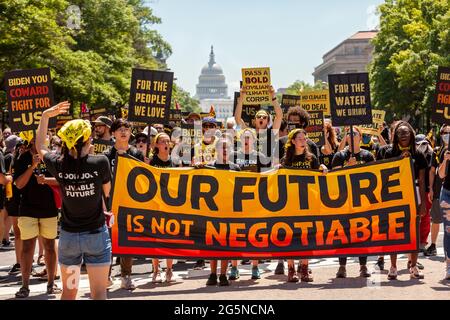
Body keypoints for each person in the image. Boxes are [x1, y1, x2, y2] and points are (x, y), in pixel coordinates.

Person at [36, 101, 112, 300]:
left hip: (69, 238)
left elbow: (41, 146)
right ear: (87, 140)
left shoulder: (59, 164)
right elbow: (107, 192)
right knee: (98, 294)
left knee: (69, 293)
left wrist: (45, 116)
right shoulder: (100, 162)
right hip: (96, 236)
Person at [377, 121, 427, 280]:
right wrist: (399, 159)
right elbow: (385, 174)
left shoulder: (418, 153)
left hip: (414, 192)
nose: (403, 135)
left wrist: (423, 202)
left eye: (406, 133)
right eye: (400, 133)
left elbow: (422, 179)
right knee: (394, 230)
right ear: (395, 136)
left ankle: (413, 266)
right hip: (395, 193)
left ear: (411, 135)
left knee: (414, 230)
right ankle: (393, 267)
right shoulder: (389, 152)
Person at [13, 132, 60, 298]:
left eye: (43, 138)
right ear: (31, 140)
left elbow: (62, 181)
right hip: (28, 209)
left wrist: (46, 180)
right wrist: (32, 166)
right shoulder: (22, 158)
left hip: (49, 209)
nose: (39, 141)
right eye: (36, 138)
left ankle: (51, 284)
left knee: (49, 247)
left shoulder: (53, 156)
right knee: (27, 248)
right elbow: (18, 185)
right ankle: (24, 286)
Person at [281, 129, 327, 282]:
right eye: (300, 138)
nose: (303, 141)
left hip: (308, 203)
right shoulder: (286, 160)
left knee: (307, 236)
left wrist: (323, 169)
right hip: (290, 204)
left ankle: (305, 269)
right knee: (291, 237)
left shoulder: (311, 158)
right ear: (293, 141)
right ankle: (291, 269)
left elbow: (319, 176)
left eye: (304, 138)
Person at [104, 119, 144, 290]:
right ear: (113, 133)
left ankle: (126, 276)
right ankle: (105, 275)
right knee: (107, 242)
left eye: (126, 129)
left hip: (130, 203)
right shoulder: (106, 156)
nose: (123, 132)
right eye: (119, 129)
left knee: (127, 242)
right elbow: (102, 182)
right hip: (111, 203)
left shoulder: (137, 154)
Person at [331, 126, 374, 278]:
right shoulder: (339, 155)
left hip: (362, 201)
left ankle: (363, 266)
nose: (350, 135)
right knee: (343, 234)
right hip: (343, 201)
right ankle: (342, 266)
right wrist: (347, 167)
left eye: (354, 133)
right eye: (348, 133)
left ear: (360, 137)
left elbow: (374, 175)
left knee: (363, 233)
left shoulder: (368, 155)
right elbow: (333, 176)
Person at [205, 137, 240, 286]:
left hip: (229, 211)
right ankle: (212, 273)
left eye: (227, 147)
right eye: (222, 147)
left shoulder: (236, 168)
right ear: (216, 149)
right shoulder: (209, 167)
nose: (225, 150)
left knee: (226, 244)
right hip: (212, 211)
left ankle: (223, 275)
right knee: (213, 244)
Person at [148, 132, 177, 283]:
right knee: (156, 239)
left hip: (170, 205)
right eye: (162, 141)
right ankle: (156, 270)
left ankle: (170, 269)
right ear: (156, 144)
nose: (166, 143)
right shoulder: (151, 161)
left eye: (168, 141)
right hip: (155, 204)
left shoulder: (174, 161)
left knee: (169, 238)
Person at [426, 125, 448, 256]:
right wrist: (431, 188)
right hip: (439, 189)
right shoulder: (436, 151)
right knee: (436, 219)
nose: (447, 135)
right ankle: (433, 244)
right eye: (445, 132)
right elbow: (432, 171)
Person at [437, 134, 450, 280]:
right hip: (447, 194)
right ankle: (448, 266)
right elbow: (441, 175)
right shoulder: (445, 152)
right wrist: (446, 160)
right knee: (448, 230)